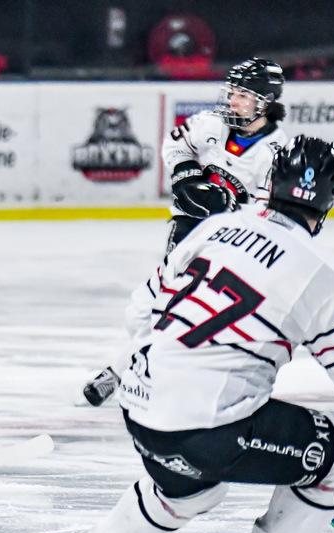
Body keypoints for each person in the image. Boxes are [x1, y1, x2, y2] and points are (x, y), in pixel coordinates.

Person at [56, 136, 334, 533]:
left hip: (140, 403)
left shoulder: (216, 227)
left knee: (190, 490)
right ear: (330, 200)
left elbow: (141, 312)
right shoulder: (329, 275)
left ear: (270, 183)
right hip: (208, 428)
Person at [82, 57, 290, 407]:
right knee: (145, 308)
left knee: (179, 312)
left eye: (242, 95)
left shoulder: (276, 154)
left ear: (265, 102)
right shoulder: (210, 123)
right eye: (232, 93)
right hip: (187, 229)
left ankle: (127, 375)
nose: (232, 101)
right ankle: (130, 369)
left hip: (229, 247)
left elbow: (269, 215)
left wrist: (229, 210)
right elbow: (175, 144)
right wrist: (186, 175)